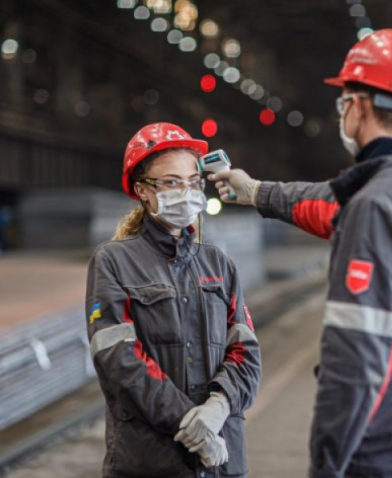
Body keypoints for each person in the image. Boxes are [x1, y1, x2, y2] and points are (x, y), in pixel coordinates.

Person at [211, 29, 392, 477]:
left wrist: (326, 466)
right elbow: (331, 203)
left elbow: (355, 366)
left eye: (344, 101)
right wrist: (255, 191)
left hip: (391, 452)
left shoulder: (377, 207)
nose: (343, 112)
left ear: (361, 105)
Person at [85, 122, 261, 478]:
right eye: (170, 182)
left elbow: (246, 353)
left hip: (221, 460)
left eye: (192, 181)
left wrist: (218, 405)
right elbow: (119, 360)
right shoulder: (113, 261)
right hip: (150, 461)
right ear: (142, 190)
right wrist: (189, 422)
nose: (186, 191)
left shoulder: (218, 263)